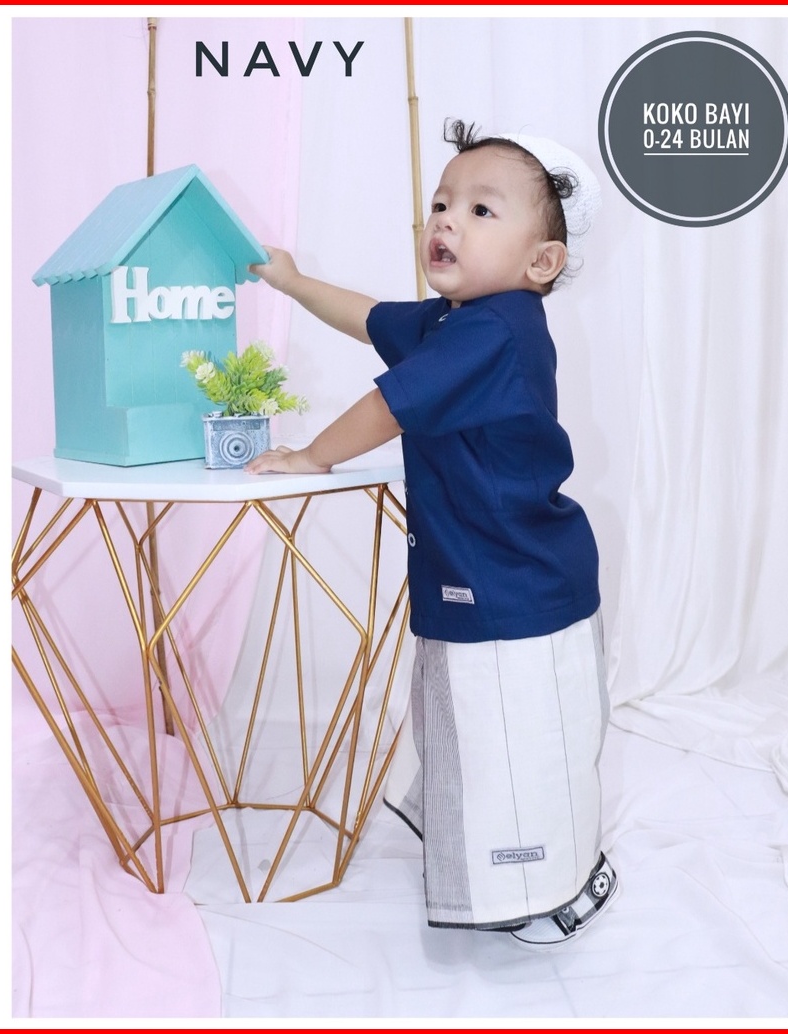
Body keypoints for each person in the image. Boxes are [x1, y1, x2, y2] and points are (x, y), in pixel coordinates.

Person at [246, 119, 618, 948]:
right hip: (480, 574)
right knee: (474, 727)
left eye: (481, 210)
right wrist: (294, 283)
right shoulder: (457, 322)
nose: (446, 219)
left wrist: (311, 454)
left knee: (520, 738)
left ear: (541, 263)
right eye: (442, 203)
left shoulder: (497, 329)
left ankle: (553, 882)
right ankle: (487, 852)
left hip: (516, 585)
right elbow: (370, 317)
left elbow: (389, 404)